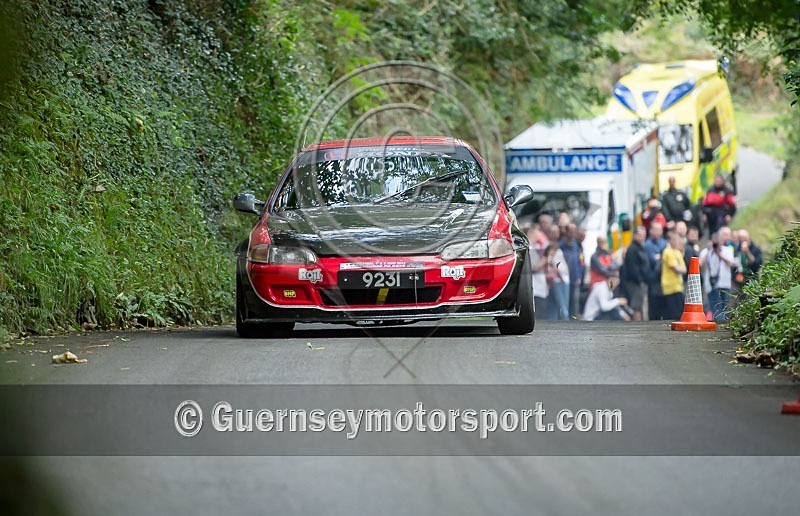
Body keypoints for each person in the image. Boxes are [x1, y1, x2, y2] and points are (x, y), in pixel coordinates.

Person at [699, 231, 737, 322]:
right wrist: (709, 250)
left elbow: (731, 263)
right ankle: (719, 325)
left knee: (725, 307)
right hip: (711, 285)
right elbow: (700, 264)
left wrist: (719, 254)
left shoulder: (727, 250)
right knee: (716, 308)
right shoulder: (706, 251)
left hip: (725, 283)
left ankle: (723, 324)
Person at [620, 226, 649, 321]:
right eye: (640, 235)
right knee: (636, 307)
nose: (642, 238)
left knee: (639, 306)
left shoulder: (641, 248)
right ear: (635, 235)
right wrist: (639, 279)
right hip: (634, 283)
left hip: (639, 282)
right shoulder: (633, 249)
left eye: (644, 236)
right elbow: (632, 267)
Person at [559, 223, 584, 318]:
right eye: (571, 232)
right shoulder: (561, 244)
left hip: (575, 278)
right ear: (566, 232)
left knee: (575, 301)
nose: (573, 234)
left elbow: (580, 261)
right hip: (564, 279)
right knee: (565, 301)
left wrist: (579, 276)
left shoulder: (576, 244)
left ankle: (574, 318)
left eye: (574, 232)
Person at [643, 221, 667, 320]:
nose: (657, 232)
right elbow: (653, 259)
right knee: (654, 307)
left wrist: (660, 256)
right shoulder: (648, 244)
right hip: (653, 280)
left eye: (659, 230)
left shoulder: (664, 242)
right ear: (651, 231)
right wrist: (661, 257)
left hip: (664, 279)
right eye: (655, 230)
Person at [544, 229, 570, 320]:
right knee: (555, 304)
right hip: (555, 282)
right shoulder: (550, 255)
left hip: (559, 281)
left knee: (561, 304)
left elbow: (558, 267)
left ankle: (565, 320)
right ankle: (554, 320)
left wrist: (562, 278)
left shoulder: (557, 254)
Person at [661, 232, 687, 320]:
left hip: (678, 286)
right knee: (673, 313)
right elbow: (676, 268)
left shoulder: (678, 252)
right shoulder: (667, 252)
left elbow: (684, 269)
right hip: (670, 286)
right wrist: (679, 268)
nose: (677, 242)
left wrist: (680, 268)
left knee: (681, 311)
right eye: (675, 240)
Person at [701, 174, 736, 238]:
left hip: (722, 213)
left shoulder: (727, 191)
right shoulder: (710, 190)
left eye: (719, 180)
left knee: (720, 230)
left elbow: (732, 205)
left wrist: (730, 215)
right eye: (716, 180)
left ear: (722, 181)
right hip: (711, 214)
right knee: (711, 232)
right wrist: (704, 214)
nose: (717, 182)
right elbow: (704, 203)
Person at [527, 226, 550, 316]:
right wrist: (545, 260)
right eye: (538, 234)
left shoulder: (534, 248)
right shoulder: (529, 248)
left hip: (539, 288)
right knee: (539, 316)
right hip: (535, 289)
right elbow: (534, 267)